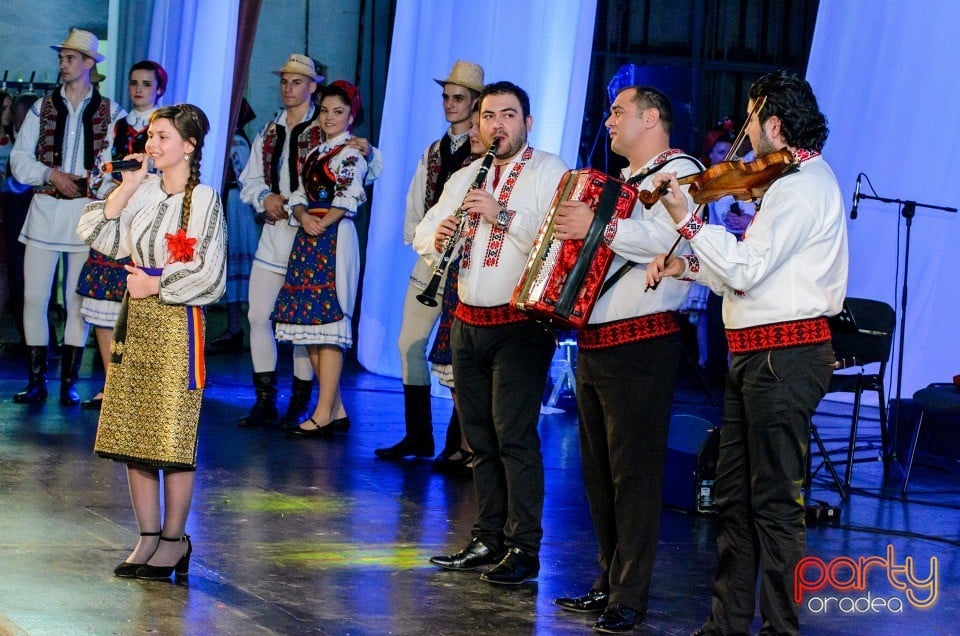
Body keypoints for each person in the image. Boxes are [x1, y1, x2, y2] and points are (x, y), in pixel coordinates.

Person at [646, 70, 847, 636]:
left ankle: (780, 629)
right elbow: (747, 281)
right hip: (756, 354)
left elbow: (748, 266)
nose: (745, 135)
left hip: (784, 358)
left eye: (753, 120)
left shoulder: (804, 185)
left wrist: (687, 218)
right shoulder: (784, 183)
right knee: (734, 498)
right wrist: (690, 264)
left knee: (775, 505)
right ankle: (726, 623)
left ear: (775, 125)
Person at [550, 86, 700, 633]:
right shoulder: (624, 183)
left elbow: (666, 235)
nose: (608, 121)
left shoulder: (680, 170)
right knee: (598, 474)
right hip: (598, 338)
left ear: (652, 117)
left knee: (634, 474)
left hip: (642, 338)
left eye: (618, 112)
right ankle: (607, 580)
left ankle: (630, 593)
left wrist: (598, 225)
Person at [417, 81, 567, 585]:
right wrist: (434, 237)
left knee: (514, 436)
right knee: (479, 436)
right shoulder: (464, 176)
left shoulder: (551, 171)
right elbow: (426, 229)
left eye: (508, 115)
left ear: (527, 122)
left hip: (521, 324)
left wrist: (500, 215)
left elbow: (557, 241)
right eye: (487, 116)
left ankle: (524, 547)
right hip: (468, 320)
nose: (496, 125)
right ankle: (488, 536)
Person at [77, 104, 225, 580]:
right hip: (135, 322)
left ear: (189, 144)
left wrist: (157, 284)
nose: (152, 145)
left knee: (170, 438)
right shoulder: (145, 193)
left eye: (162, 137)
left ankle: (174, 538)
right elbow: (96, 233)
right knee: (133, 434)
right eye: (151, 136)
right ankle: (145, 534)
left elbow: (211, 274)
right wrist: (127, 186)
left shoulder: (203, 199)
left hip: (176, 325)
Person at [238, 54, 380, 430]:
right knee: (260, 315)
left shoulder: (329, 133)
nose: (288, 88)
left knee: (308, 322)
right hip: (278, 232)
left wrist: (368, 151)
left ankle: (305, 401)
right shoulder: (269, 130)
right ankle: (266, 399)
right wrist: (264, 198)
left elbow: (365, 171)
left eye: (297, 82)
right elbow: (249, 179)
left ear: (312, 88)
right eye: (284, 81)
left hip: (314, 238)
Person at [374, 60, 484, 464]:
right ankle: (418, 434)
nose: (450, 104)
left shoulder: (487, 155)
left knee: (458, 354)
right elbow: (416, 203)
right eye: (446, 97)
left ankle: (460, 443)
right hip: (431, 259)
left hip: (466, 267)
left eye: (459, 98)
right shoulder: (434, 152)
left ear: (475, 105)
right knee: (409, 344)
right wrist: (423, 241)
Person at [10, 28, 125, 405]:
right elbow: (19, 159)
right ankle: (37, 378)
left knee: (79, 301)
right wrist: (50, 174)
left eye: (71, 58)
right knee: (34, 298)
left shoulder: (111, 112)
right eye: (62, 58)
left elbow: (120, 163)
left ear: (89, 64)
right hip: (45, 212)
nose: (63, 64)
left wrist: (94, 180)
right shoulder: (43, 107)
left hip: (85, 215)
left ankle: (69, 381)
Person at [273, 80, 367, 437]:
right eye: (325, 110)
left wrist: (320, 222)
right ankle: (335, 408)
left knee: (328, 327)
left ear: (350, 116)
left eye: (338, 112)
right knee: (312, 327)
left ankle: (324, 412)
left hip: (333, 240)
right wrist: (302, 215)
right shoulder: (315, 153)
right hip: (311, 236)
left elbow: (348, 195)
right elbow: (297, 193)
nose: (329, 117)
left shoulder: (352, 153)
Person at [76, 60, 168, 411]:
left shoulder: (162, 128)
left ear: (159, 88)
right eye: (133, 83)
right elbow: (103, 164)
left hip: (144, 215)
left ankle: (139, 385)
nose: (139, 89)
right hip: (118, 209)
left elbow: (163, 173)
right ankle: (112, 382)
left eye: (146, 83)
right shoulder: (119, 124)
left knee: (138, 304)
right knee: (103, 304)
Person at [210, 98, 258, 352]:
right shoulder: (231, 140)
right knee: (231, 266)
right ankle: (234, 326)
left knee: (237, 261)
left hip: (236, 204)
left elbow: (244, 177)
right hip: (231, 202)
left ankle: (243, 327)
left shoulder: (236, 142)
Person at [1, 93, 38, 351]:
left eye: (14, 110)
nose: (11, 114)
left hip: (22, 218)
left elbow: (19, 184)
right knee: (17, 279)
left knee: (22, 280)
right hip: (16, 218)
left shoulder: (29, 145)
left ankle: (32, 341)